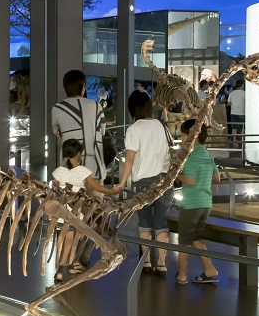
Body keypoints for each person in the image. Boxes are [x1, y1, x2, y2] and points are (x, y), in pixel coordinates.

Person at [106, 90, 174, 274]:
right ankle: (161, 263)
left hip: (144, 183)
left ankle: (146, 262)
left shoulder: (134, 129)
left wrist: (122, 182)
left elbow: (129, 159)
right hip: (165, 181)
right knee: (161, 221)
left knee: (144, 222)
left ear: (132, 108)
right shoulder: (161, 126)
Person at [51, 138, 114, 281]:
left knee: (68, 238)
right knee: (71, 239)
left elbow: (54, 190)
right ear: (79, 154)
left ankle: (71, 264)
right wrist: (113, 192)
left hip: (61, 211)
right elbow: (96, 187)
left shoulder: (58, 171)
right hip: (74, 212)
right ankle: (61, 269)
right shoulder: (83, 171)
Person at [175, 119, 220, 284]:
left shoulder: (192, 155)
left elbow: (191, 181)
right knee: (195, 238)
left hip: (191, 204)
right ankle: (210, 269)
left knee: (184, 241)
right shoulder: (207, 155)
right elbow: (217, 178)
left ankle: (182, 275)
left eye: (183, 134)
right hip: (205, 203)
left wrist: (175, 175)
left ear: (192, 136)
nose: (181, 138)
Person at [51, 70, 109, 178]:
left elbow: (57, 133)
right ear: (83, 87)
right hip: (94, 168)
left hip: (69, 170)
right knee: (95, 194)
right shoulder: (97, 106)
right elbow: (102, 131)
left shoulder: (57, 108)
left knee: (70, 194)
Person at [227, 80, 245, 148]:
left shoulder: (232, 93)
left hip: (233, 113)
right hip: (242, 113)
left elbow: (228, 103)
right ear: (242, 85)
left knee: (234, 128)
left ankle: (234, 142)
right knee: (242, 128)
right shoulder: (244, 93)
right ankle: (242, 142)